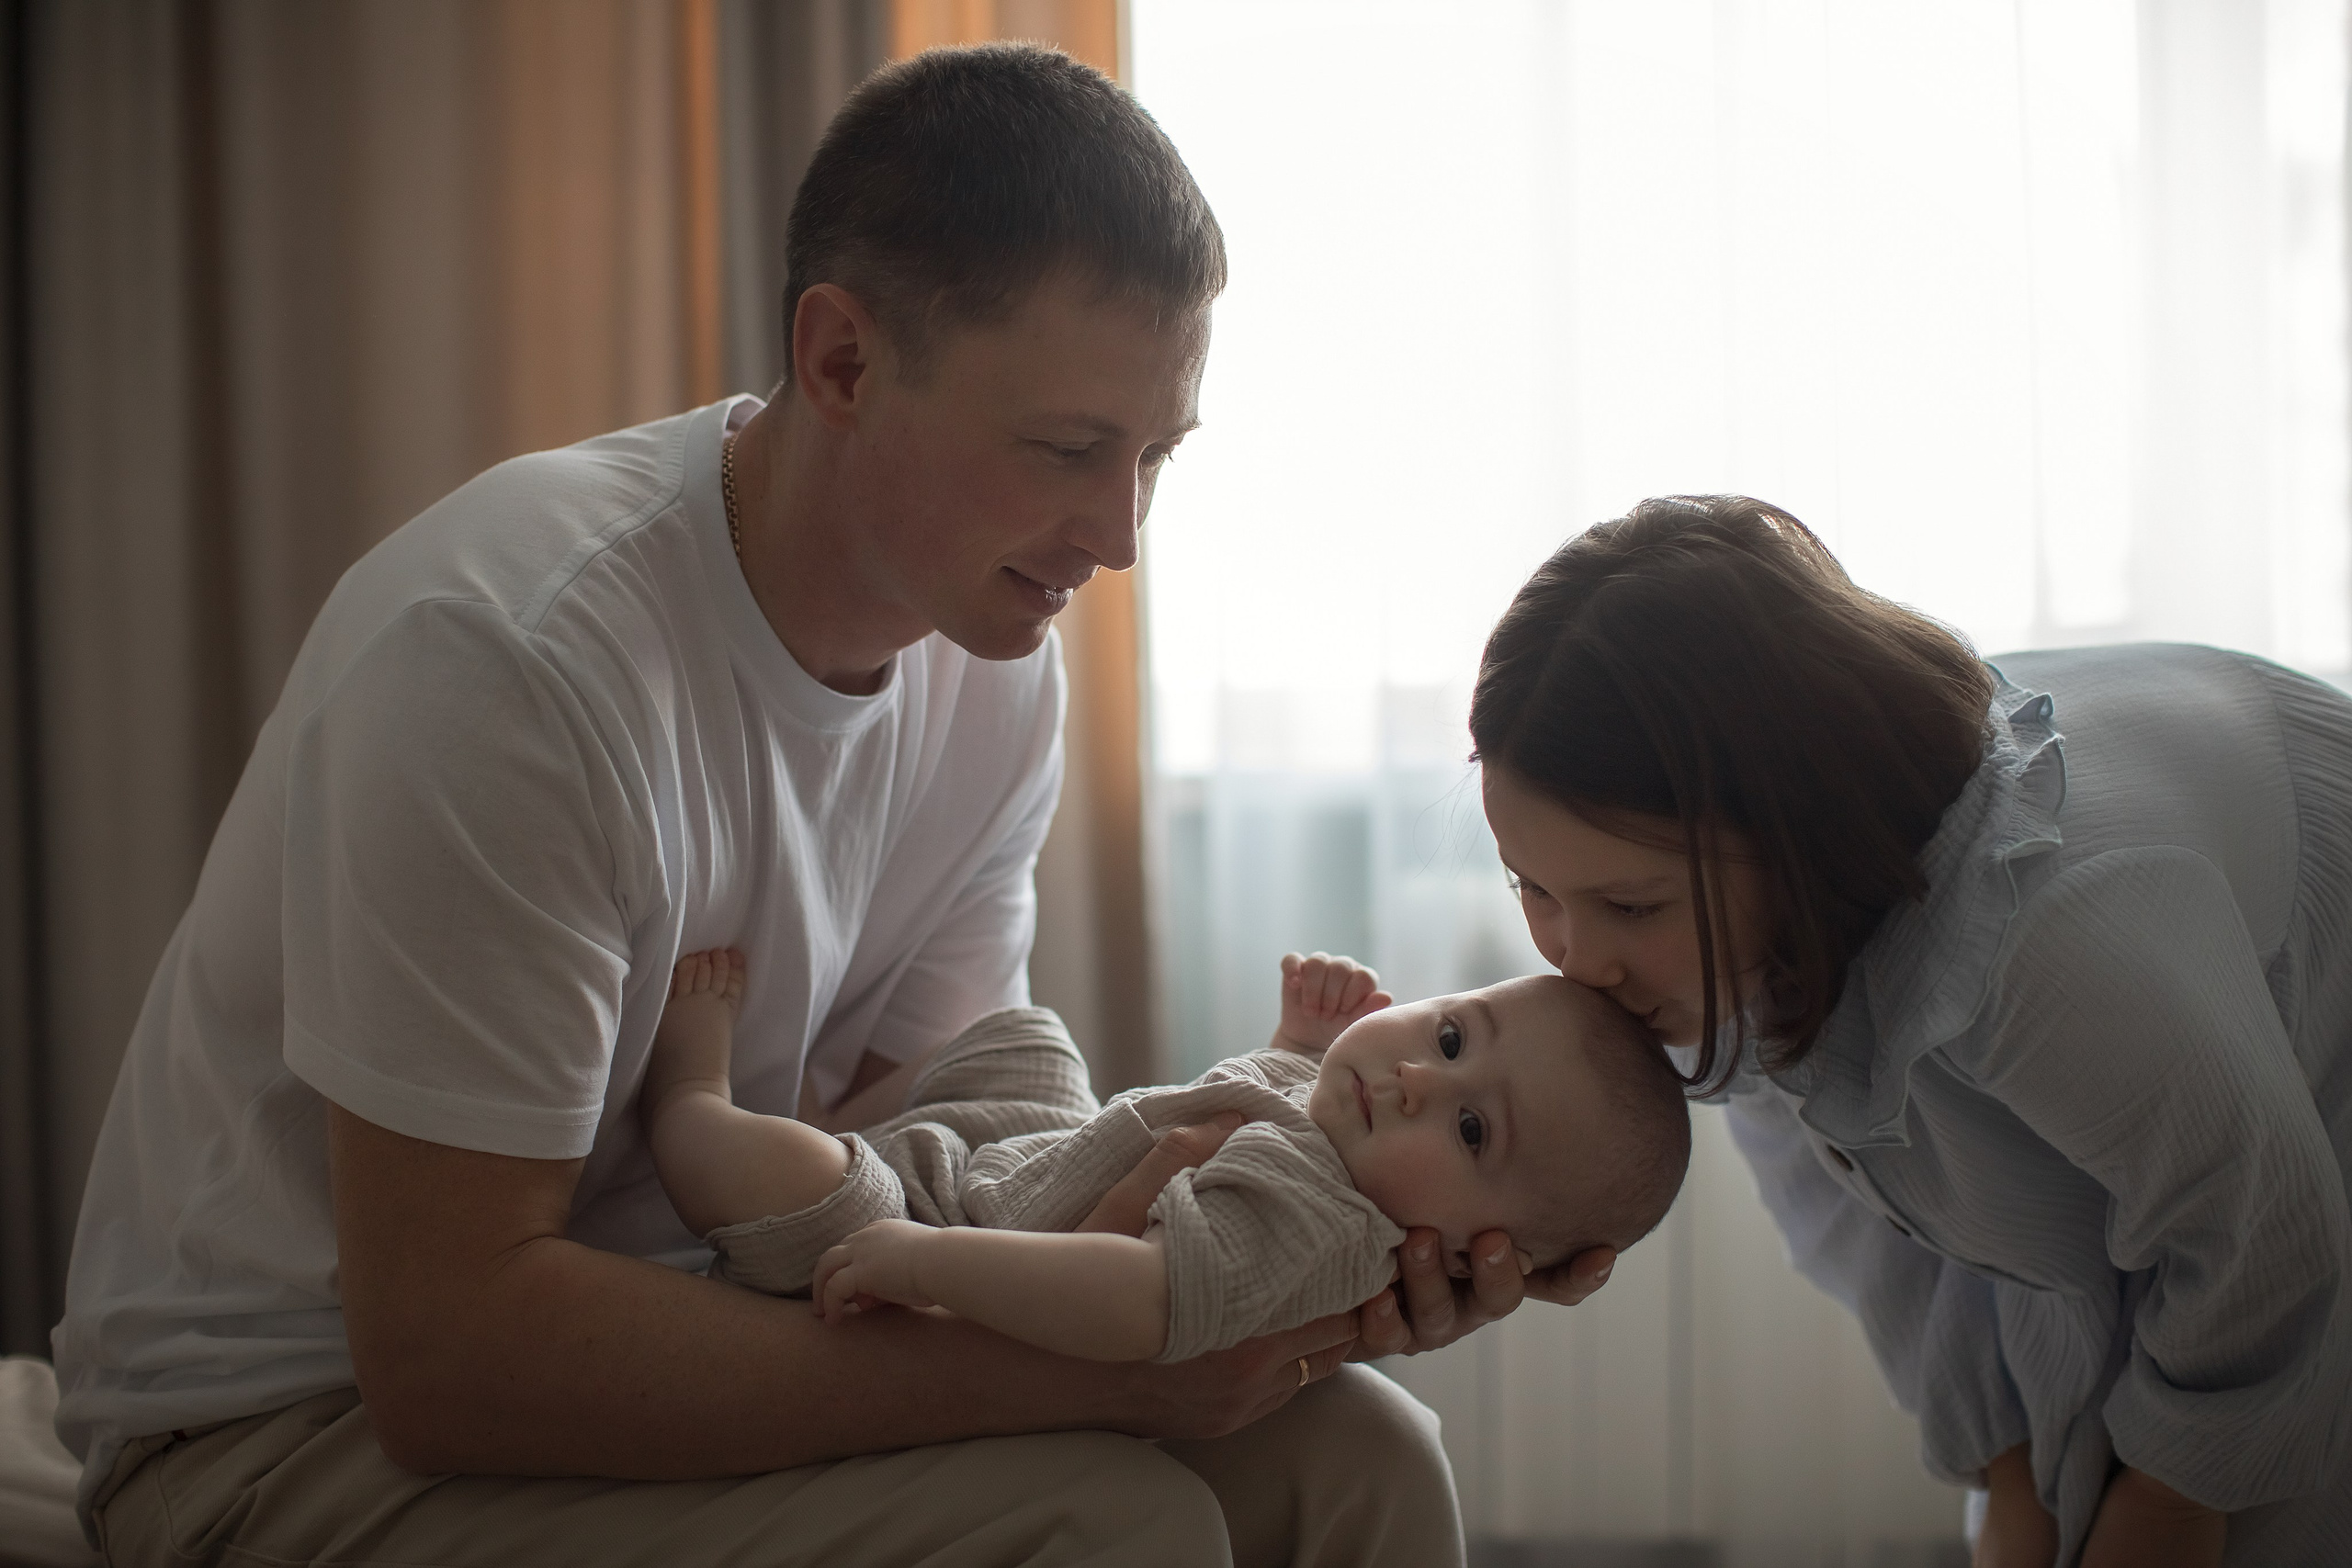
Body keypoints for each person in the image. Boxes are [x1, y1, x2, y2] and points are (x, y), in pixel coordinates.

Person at [51, 44, 1610, 1568]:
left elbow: (941, 1159)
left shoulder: (993, 665)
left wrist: (1309, 1251)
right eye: (1070, 448)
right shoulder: (516, 670)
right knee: (1109, 1522)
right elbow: (452, 1351)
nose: (1121, 535)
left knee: (1363, 1461)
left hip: (705, 1295)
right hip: (279, 1428)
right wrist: (1105, 1372)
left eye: (1156, 456)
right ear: (844, 361)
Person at [1468, 493, 2352, 1568]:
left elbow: (2265, 1231)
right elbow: (1875, 1229)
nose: (1574, 957)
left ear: (1793, 827)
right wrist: (2009, 1462)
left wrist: (2171, 1494)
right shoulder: (1752, 953)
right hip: (2200, 1140)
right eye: (1532, 888)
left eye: (1632, 906)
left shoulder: (2051, 938)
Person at [635, 949, 1689, 1360]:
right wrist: (1291, 1047)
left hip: (963, 1248)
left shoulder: (1326, 1226)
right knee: (1031, 1036)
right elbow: (1228, 1126)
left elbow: (1145, 1295)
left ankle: (690, 1099)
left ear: (1472, 1249)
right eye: (1453, 1034)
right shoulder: (1343, 1127)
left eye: (1470, 1130)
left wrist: (919, 1259)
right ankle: (842, 1127)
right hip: (1027, 1164)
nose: (1421, 1076)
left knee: (800, 1186)